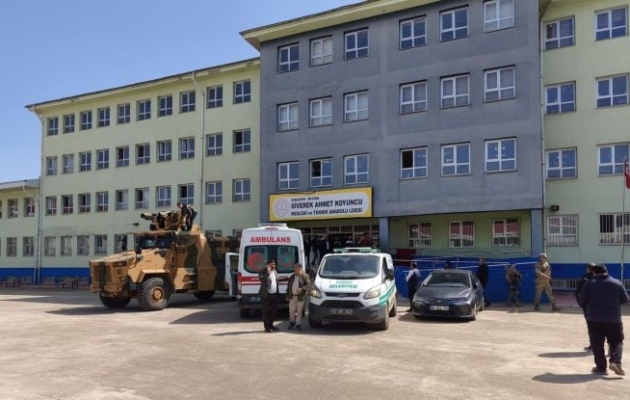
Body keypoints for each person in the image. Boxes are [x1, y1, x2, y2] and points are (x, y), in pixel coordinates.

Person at [578, 264, 628, 376]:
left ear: (594, 272)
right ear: (606, 271)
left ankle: (601, 368)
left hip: (594, 319)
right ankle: (615, 362)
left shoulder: (589, 283)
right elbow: (625, 299)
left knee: (597, 343)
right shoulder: (617, 283)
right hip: (613, 319)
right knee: (616, 341)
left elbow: (582, 299)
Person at [576, 263, 596, 351]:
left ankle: (593, 345)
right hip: (600, 308)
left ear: (588, 269)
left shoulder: (584, 279)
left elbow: (578, 294)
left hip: (588, 307)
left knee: (591, 327)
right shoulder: (600, 278)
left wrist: (582, 305)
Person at [286, 263, 310, 331]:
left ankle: (298, 324)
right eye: (294, 268)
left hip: (300, 297)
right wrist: (287, 295)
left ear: (300, 268)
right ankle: (292, 322)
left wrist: (302, 288)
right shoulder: (292, 276)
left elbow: (309, 285)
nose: (294, 269)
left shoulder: (305, 276)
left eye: (295, 268)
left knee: (299, 312)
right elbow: (288, 286)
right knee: (291, 311)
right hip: (292, 296)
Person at [259, 259, 281, 332]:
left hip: (274, 294)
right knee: (266, 312)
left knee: (274, 312)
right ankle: (267, 327)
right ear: (268, 265)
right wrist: (268, 273)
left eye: (274, 264)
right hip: (266, 295)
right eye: (272, 264)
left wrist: (287, 279)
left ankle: (271, 325)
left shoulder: (275, 271)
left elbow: (277, 280)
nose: (273, 266)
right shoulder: (263, 271)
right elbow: (261, 279)